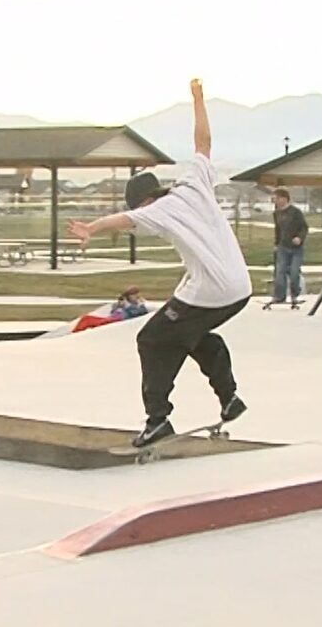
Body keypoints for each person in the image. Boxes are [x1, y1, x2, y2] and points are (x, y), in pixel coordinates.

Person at [69, 78, 252, 448]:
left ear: (144, 201)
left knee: (151, 339)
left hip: (210, 291)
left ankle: (158, 420)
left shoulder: (157, 209)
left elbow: (124, 219)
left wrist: (92, 227)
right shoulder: (195, 181)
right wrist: (198, 99)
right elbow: (203, 142)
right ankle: (229, 397)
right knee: (190, 335)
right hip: (240, 289)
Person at [263, 187, 308, 309]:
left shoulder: (295, 212)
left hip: (296, 248)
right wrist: (276, 244)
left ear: (284, 199)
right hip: (282, 247)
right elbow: (278, 230)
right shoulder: (276, 213)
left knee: (294, 272)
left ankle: (295, 294)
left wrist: (299, 238)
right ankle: (279, 296)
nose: (275, 201)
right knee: (280, 272)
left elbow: (304, 227)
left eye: (276, 198)